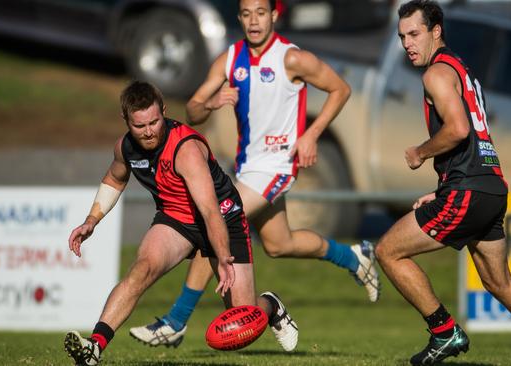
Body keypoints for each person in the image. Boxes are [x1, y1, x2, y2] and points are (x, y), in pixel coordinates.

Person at [129, 0, 380, 350]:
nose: (253, 21)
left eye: (261, 13)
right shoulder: (231, 59)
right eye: (246, 14)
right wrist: (212, 103)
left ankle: (175, 320)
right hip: (247, 169)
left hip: (278, 166)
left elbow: (341, 89)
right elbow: (192, 110)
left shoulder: (292, 58)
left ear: (274, 15)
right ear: (240, 17)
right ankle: (354, 257)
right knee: (280, 244)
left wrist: (311, 134)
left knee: (210, 222)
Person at [373, 1, 511, 365]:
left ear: (436, 31)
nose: (407, 44)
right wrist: (443, 186)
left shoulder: (436, 73)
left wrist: (421, 151)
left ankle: (443, 331)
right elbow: (474, 136)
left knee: (388, 250)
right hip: (489, 186)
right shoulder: (460, 67)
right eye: (402, 37)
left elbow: (459, 130)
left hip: (469, 189)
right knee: (499, 283)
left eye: (415, 34)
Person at [62, 81, 298, 365]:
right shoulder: (125, 148)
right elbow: (115, 178)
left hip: (222, 217)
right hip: (175, 219)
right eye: (140, 126)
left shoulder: (186, 149)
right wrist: (91, 221)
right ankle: (94, 347)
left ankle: (270, 306)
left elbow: (210, 212)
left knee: (242, 323)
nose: (149, 131)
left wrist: (223, 259)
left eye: (154, 122)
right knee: (141, 270)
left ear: (163, 111)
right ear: (126, 120)